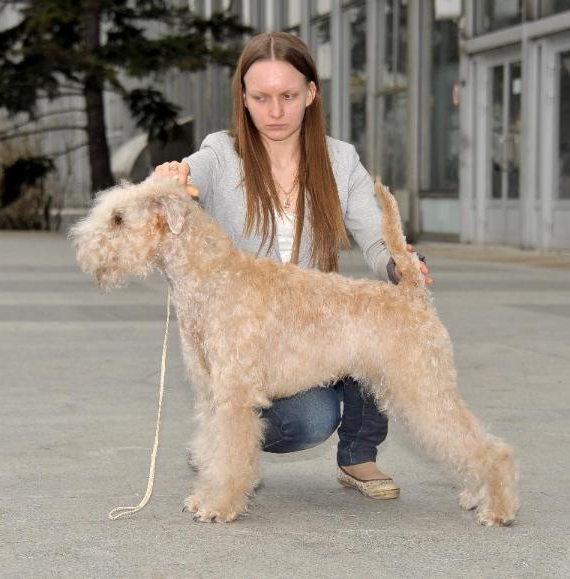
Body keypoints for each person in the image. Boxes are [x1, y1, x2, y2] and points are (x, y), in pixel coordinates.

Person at [155, 32, 432, 499]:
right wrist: (174, 176)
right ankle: (224, 446)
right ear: (243, 98)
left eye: (287, 96)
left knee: (378, 319)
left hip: (312, 322)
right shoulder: (220, 153)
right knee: (308, 421)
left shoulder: (340, 158)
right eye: (261, 98)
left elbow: (374, 232)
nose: (275, 112)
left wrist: (398, 265)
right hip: (250, 334)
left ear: (310, 93)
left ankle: (358, 457)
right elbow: (189, 173)